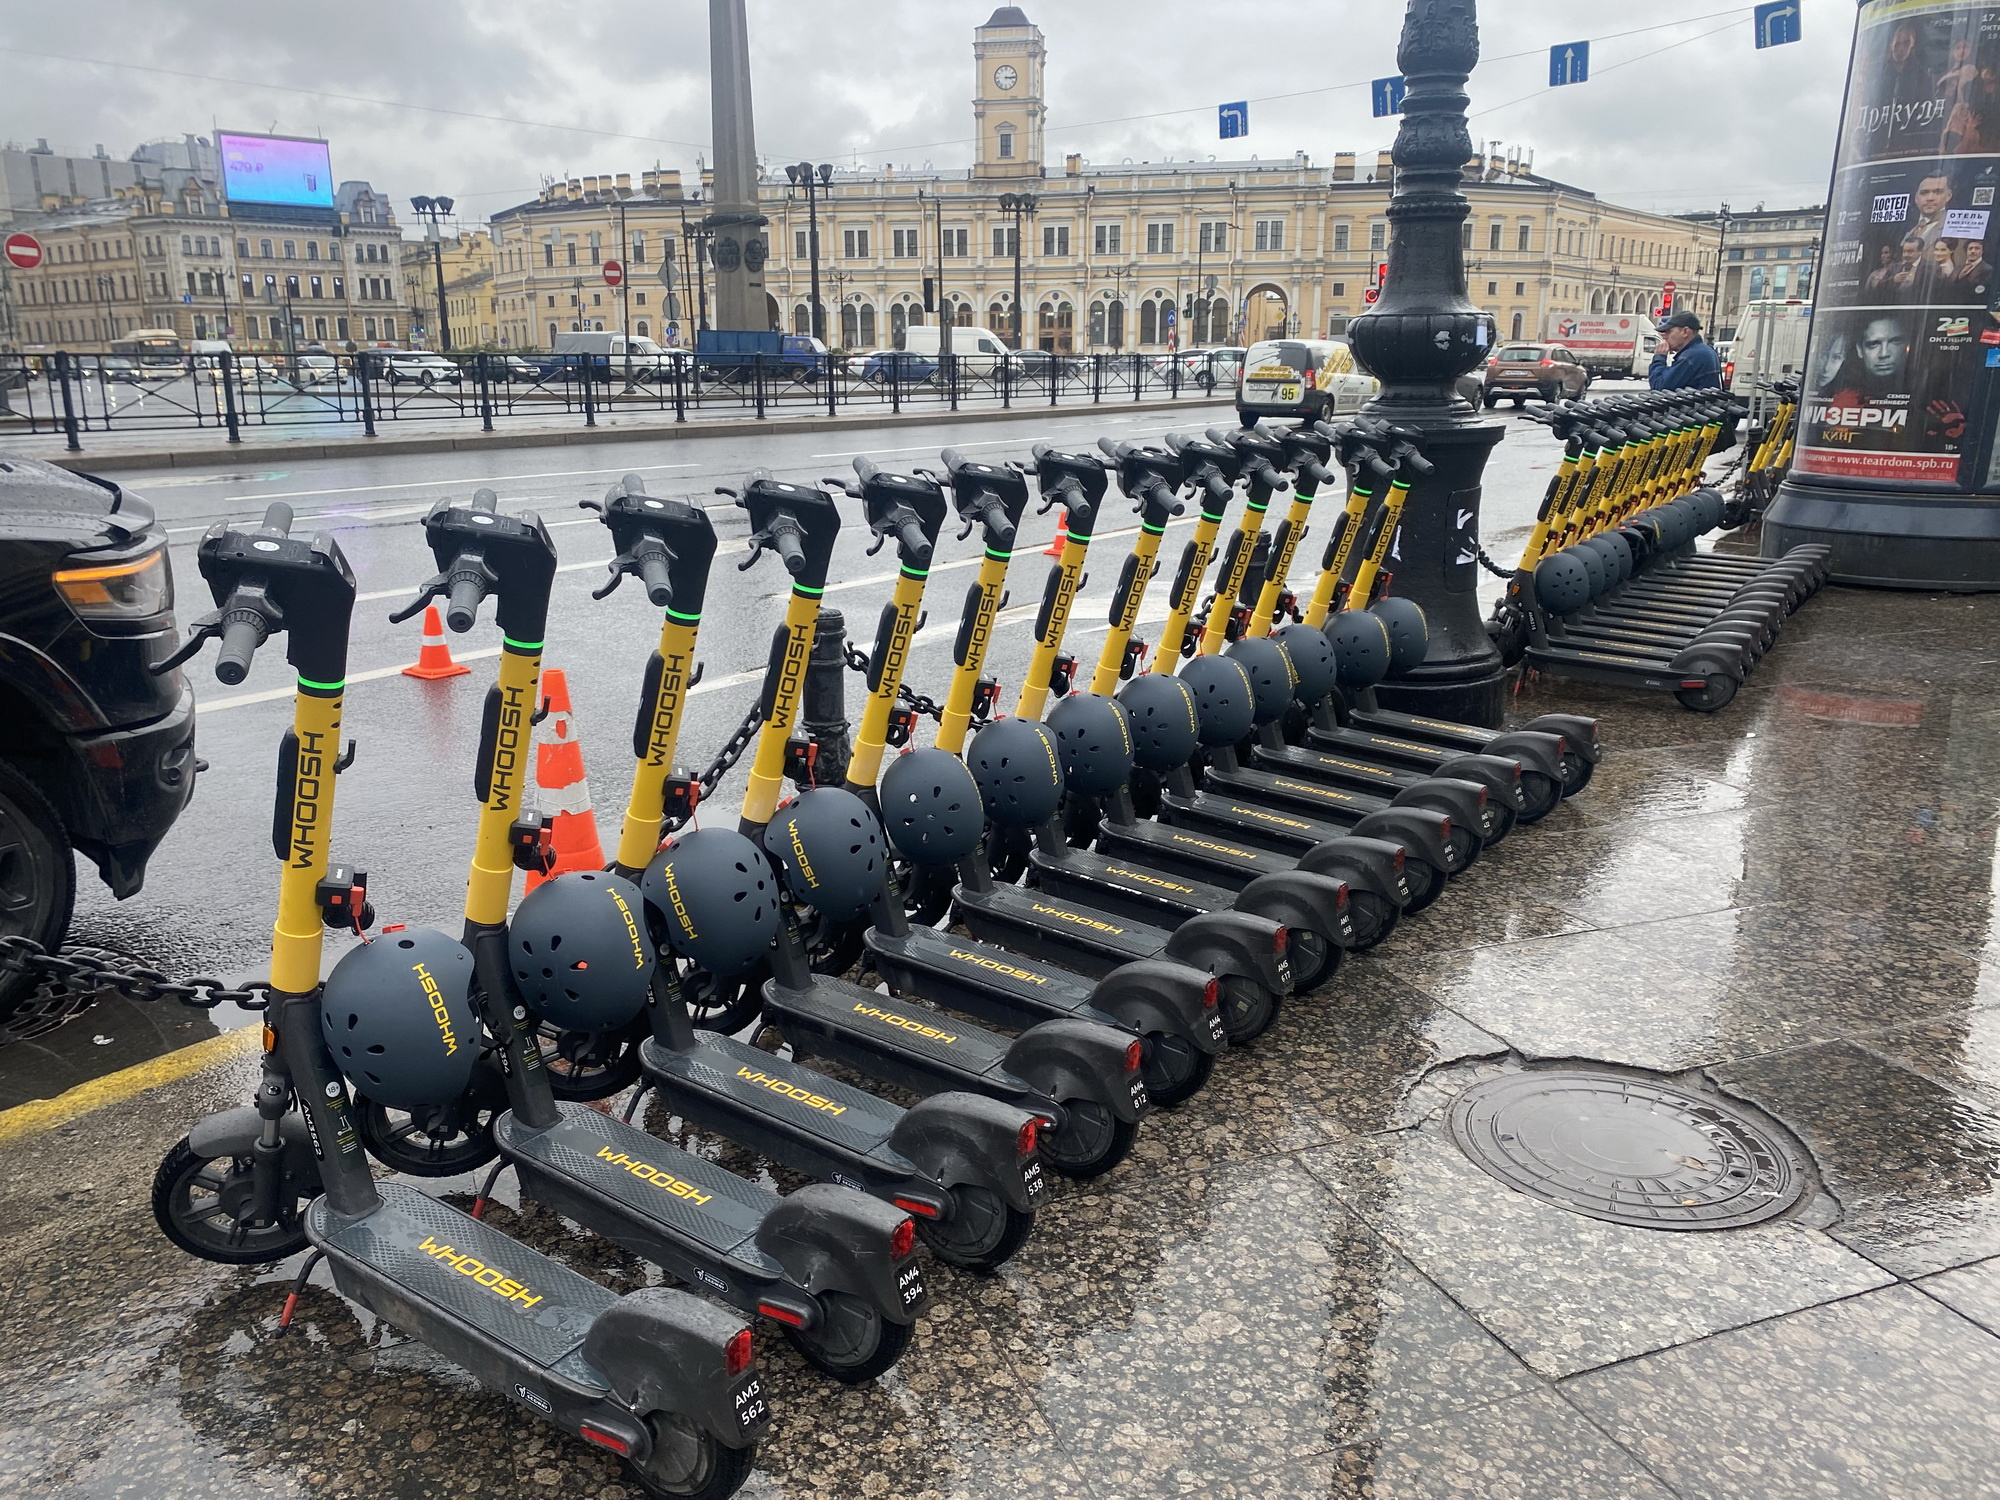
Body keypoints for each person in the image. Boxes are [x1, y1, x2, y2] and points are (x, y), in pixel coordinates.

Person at [1647, 310, 1721, 390]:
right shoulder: (1705, 350)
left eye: (1669, 332)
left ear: (1685, 332)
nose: (1665, 336)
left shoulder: (1691, 357)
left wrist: (1659, 358)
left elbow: (1660, 387)